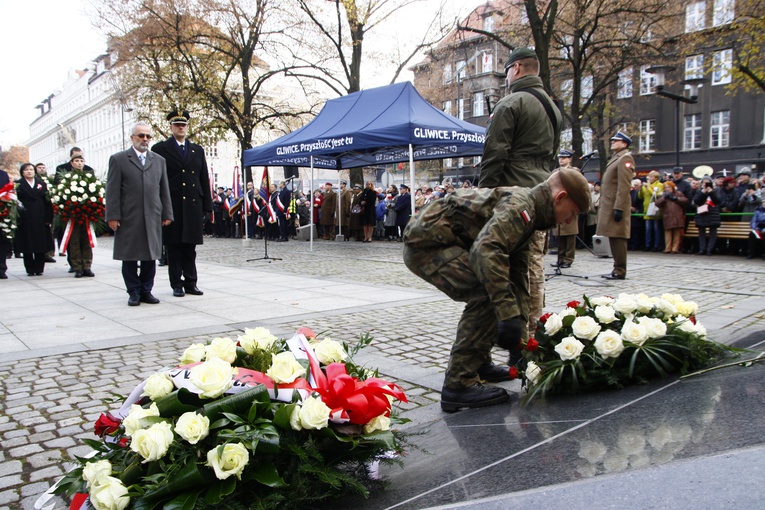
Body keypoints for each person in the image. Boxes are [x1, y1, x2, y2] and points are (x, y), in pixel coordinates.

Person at [403, 168, 590, 411]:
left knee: (501, 290)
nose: (568, 220)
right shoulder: (521, 207)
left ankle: (479, 363)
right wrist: (508, 314)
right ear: (560, 197)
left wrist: (520, 341)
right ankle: (458, 384)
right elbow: (485, 250)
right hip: (427, 245)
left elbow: (518, 277)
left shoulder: (531, 214)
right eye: (572, 213)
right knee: (488, 293)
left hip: (449, 242)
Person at [477, 47, 562, 338]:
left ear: (516, 69)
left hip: (513, 196)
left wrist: (483, 196)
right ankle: (536, 327)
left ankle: (522, 336)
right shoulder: (552, 107)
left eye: (506, 72)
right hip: (542, 195)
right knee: (534, 265)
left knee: (513, 269)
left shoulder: (511, 103)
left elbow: (494, 154)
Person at [106, 122, 173, 306]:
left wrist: (167, 212)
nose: (144, 139)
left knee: (150, 256)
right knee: (129, 256)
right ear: (132, 138)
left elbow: (164, 189)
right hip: (129, 216)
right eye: (140, 136)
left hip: (153, 215)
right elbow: (112, 190)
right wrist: (112, 215)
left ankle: (146, 290)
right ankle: (133, 291)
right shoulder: (119, 159)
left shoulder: (159, 160)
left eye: (148, 136)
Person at [151, 110, 213, 297]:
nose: (181, 127)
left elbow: (204, 178)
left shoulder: (197, 150)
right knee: (174, 247)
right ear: (170, 127)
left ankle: (191, 283)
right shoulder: (160, 149)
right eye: (177, 124)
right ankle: (176, 284)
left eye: (183, 125)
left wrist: (207, 207)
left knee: (190, 248)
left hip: (193, 205)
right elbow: (156, 180)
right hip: (172, 205)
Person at [597, 131, 636, 280]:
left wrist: (619, 207)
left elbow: (624, 186)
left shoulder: (625, 158)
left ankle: (620, 270)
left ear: (624, 143)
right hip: (611, 204)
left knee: (618, 238)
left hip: (617, 205)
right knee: (613, 236)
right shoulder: (617, 158)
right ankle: (616, 268)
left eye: (616, 140)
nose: (613, 142)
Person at [14, 163, 54, 276]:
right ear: (22, 172)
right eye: (26, 170)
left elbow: (48, 202)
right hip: (25, 217)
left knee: (40, 243)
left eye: (31, 169)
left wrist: (48, 218)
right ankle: (30, 268)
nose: (29, 171)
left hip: (40, 216)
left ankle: (39, 267)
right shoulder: (18, 184)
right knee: (27, 243)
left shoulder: (41, 184)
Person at [63, 155, 97, 277]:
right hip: (74, 215)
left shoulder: (89, 177)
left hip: (87, 214)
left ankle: (87, 266)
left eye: (81, 161)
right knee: (75, 241)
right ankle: (77, 266)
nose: (79, 163)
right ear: (71, 163)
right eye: (76, 161)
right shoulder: (67, 178)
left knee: (87, 240)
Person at [551, 149, 579, 268]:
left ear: (570, 159)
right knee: (560, 234)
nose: (561, 159)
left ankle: (568, 258)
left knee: (570, 234)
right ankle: (560, 257)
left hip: (569, 205)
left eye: (564, 157)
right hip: (558, 205)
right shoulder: (555, 172)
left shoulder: (574, 171)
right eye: (560, 157)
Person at [655, 181, 689, 254]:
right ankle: (667, 248)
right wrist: (664, 198)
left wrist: (676, 199)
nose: (668, 189)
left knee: (677, 233)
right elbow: (657, 203)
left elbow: (685, 201)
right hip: (667, 216)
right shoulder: (662, 195)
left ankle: (675, 248)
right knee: (668, 233)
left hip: (677, 215)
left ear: (673, 187)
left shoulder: (678, 193)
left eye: (669, 187)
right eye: (666, 187)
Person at [692, 175, 721, 256]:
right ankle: (702, 249)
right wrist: (703, 193)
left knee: (713, 233)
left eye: (707, 183)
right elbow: (696, 201)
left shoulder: (716, 191)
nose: (705, 184)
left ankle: (709, 249)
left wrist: (710, 192)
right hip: (702, 213)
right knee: (701, 233)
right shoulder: (699, 191)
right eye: (704, 183)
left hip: (713, 214)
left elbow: (717, 201)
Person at [638, 170, 665, 252]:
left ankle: (656, 245)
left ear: (656, 178)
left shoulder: (660, 185)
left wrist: (648, 187)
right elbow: (640, 197)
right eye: (649, 176)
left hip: (655, 209)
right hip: (647, 209)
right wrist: (640, 189)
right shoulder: (646, 185)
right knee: (648, 229)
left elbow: (656, 194)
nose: (649, 178)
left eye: (651, 176)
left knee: (656, 228)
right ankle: (647, 245)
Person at [0, 169, 12, 279]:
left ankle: (1, 269)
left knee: (2, 241)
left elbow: (8, 190)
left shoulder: (3, 174)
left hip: (2, 212)